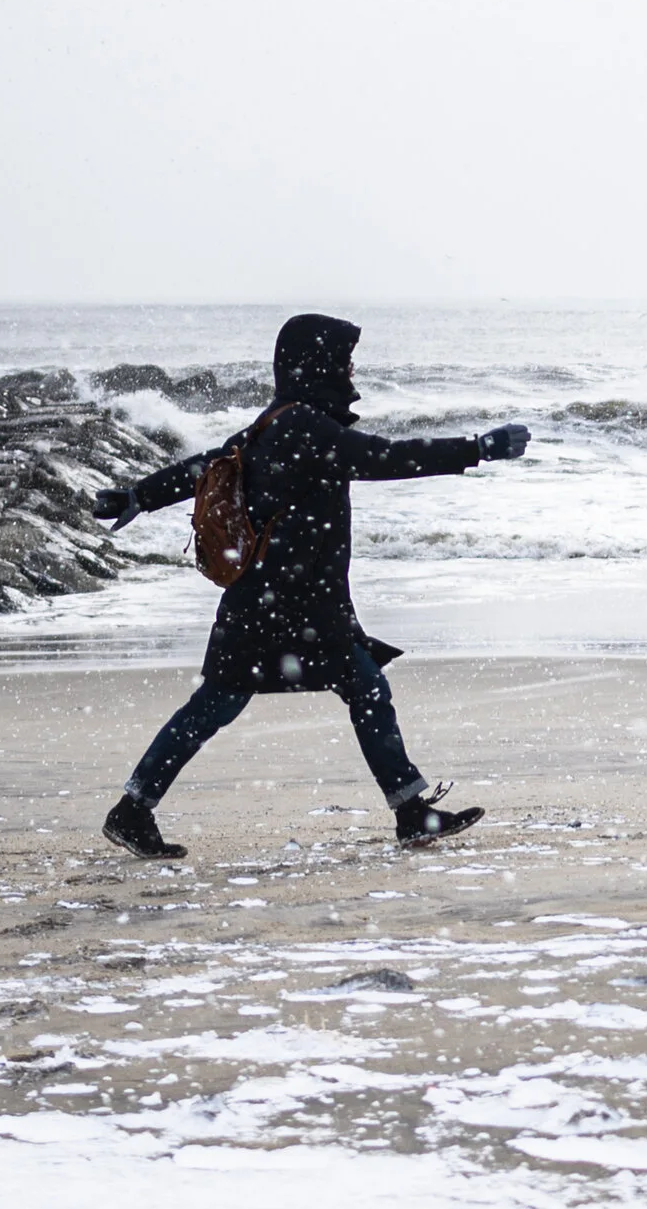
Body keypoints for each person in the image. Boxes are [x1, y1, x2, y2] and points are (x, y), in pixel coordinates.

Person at [90, 313, 531, 859]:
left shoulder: (277, 419)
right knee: (244, 702)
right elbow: (383, 458)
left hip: (280, 602)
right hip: (286, 606)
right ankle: (133, 810)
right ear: (319, 362)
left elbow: (208, 466)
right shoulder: (302, 425)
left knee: (315, 693)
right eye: (344, 359)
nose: (351, 370)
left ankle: (411, 810)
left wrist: (139, 495)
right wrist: (477, 447)